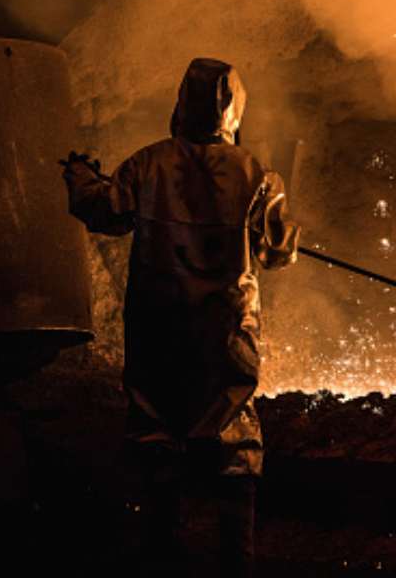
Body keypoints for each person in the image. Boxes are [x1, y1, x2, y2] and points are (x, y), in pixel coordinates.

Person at [62, 57, 299, 576]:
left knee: (156, 439)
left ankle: (160, 555)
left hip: (159, 331)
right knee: (233, 437)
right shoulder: (256, 174)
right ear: (233, 108)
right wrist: (282, 227)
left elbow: (103, 211)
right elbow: (278, 252)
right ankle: (236, 561)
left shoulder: (147, 166)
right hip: (226, 333)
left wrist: (79, 176)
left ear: (181, 103)